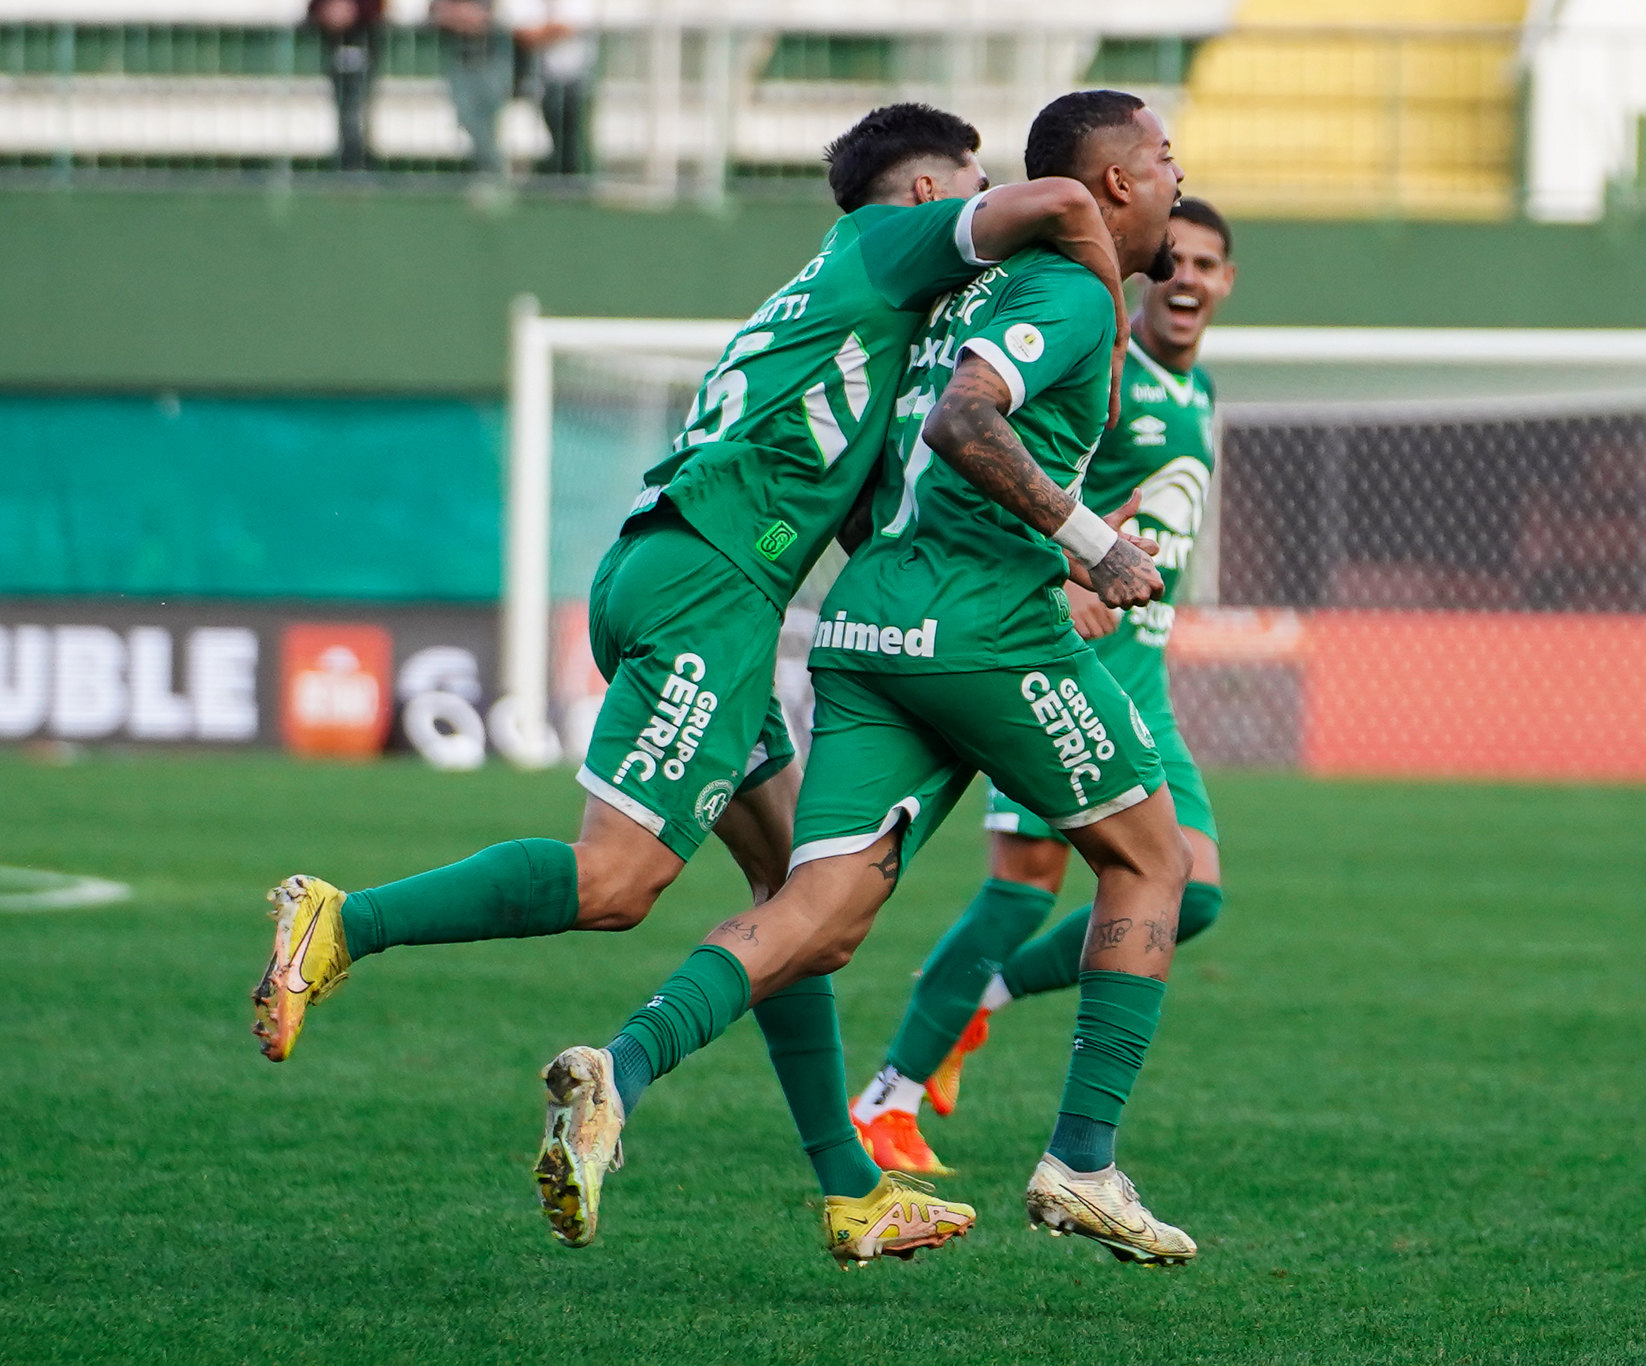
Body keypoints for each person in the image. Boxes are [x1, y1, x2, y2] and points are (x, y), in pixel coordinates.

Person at [249, 102, 1133, 1266]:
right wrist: (1101, 306)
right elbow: (1067, 202)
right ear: (931, 199)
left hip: (681, 569)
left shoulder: (840, 302)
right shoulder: (889, 246)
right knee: (617, 881)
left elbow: (877, 500)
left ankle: (852, 1188)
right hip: (712, 586)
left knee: (786, 908)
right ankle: (343, 920)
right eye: (972, 187)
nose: (986, 210)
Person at [538, 89, 1199, 1268]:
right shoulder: (1059, 290)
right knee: (1155, 860)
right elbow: (961, 421)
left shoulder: (940, 301)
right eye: (1161, 163)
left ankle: (615, 1072)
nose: (1176, 183)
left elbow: (888, 452)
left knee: (818, 916)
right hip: (982, 629)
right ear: (1106, 186)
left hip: (863, 632)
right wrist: (1086, 541)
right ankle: (1083, 1160)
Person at [849, 197, 1236, 1178]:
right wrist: (1062, 576)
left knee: (1189, 896)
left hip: (1142, 677)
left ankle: (979, 1003)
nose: (1186, 277)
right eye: (1174, 258)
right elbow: (1007, 471)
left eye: (1208, 263)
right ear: (1149, 273)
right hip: (1059, 661)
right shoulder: (1104, 372)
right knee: (1021, 887)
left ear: (1226, 281)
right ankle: (885, 1098)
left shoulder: (1200, 392)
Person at [507, 0, 595, 176]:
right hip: (546, 80)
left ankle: (574, 178)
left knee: (572, 134)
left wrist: (541, 33)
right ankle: (563, 177)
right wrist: (548, 32)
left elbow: (571, 25)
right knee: (558, 132)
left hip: (576, 78)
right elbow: (523, 32)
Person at [430, 0, 510, 174]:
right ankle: (493, 170)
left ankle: (494, 172)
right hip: (461, 60)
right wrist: (459, 16)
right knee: (467, 117)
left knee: (489, 119)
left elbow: (491, 17)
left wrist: (467, 17)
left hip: (493, 58)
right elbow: (436, 12)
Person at [306, 0, 383, 172]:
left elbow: (377, 8)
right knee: (344, 108)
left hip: (364, 40)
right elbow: (312, 8)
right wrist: (325, 12)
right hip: (333, 43)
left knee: (354, 110)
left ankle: (355, 164)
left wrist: (355, 11)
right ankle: (348, 163)